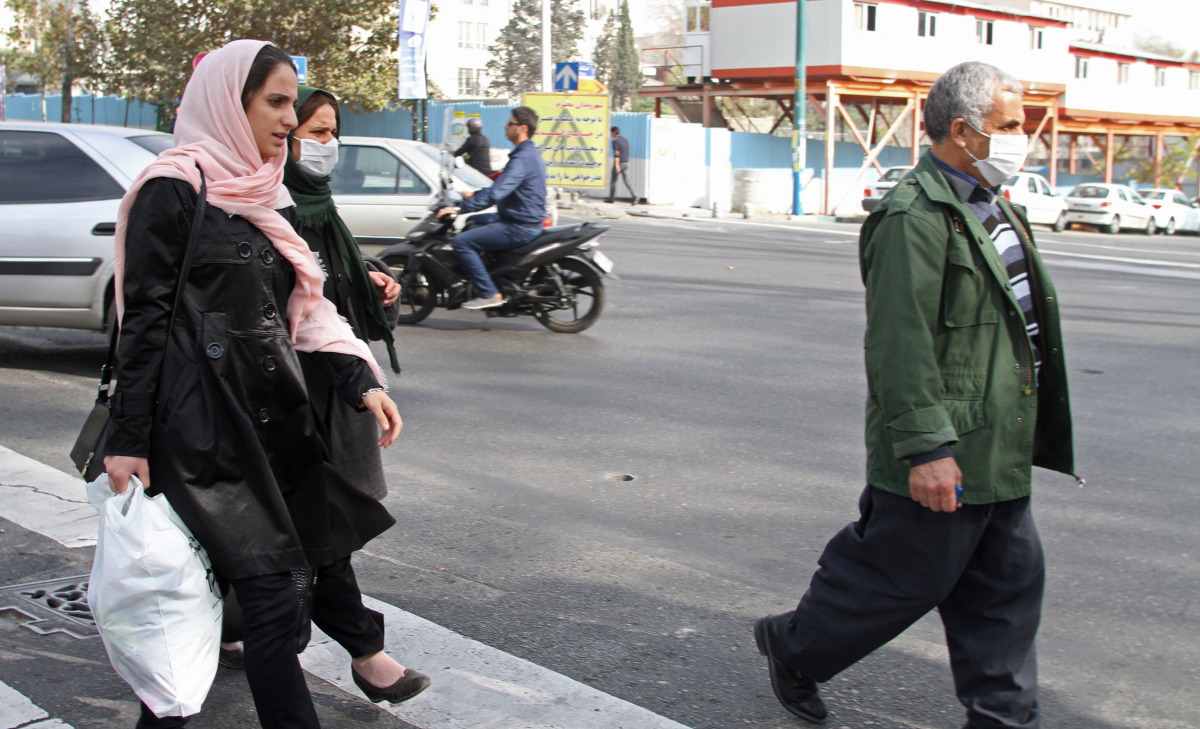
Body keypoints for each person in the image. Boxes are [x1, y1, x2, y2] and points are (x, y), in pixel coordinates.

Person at [102, 40, 425, 729]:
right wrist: (127, 438)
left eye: (289, 103)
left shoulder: (260, 191)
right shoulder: (175, 187)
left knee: (249, 606)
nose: (287, 119)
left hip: (270, 423)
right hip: (198, 433)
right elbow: (144, 321)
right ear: (230, 100)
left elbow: (303, 311)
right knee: (228, 602)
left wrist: (359, 376)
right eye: (274, 102)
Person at [753, 61, 1077, 729]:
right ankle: (792, 645)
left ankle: (1003, 717)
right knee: (893, 582)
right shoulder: (914, 216)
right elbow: (900, 344)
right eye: (1010, 125)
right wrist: (927, 445)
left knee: (1005, 594)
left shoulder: (992, 205)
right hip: (946, 448)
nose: (1024, 139)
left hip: (1000, 444)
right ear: (963, 131)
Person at [214, 84, 427, 711]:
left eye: (329, 131)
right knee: (317, 520)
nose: (319, 142)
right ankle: (366, 652)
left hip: (332, 376)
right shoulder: (235, 200)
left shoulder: (308, 201)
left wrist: (370, 279)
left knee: (300, 520)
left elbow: (321, 289)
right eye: (314, 128)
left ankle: (233, 624)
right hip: (287, 390)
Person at [439, 105, 547, 310]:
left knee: (462, 242)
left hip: (519, 225)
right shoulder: (526, 153)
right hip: (518, 218)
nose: (505, 126)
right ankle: (489, 274)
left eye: (510, 123)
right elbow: (500, 187)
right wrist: (472, 196)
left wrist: (460, 209)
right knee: (473, 223)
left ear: (522, 128)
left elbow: (497, 194)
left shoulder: (522, 158)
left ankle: (489, 293)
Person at [606, 126, 639, 205]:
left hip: (619, 163)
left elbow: (617, 154)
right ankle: (634, 196)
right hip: (626, 162)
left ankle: (611, 199)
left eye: (611, 133)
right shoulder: (625, 140)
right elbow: (627, 151)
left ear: (614, 132)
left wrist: (617, 166)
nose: (611, 134)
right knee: (627, 181)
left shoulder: (615, 141)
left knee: (613, 181)